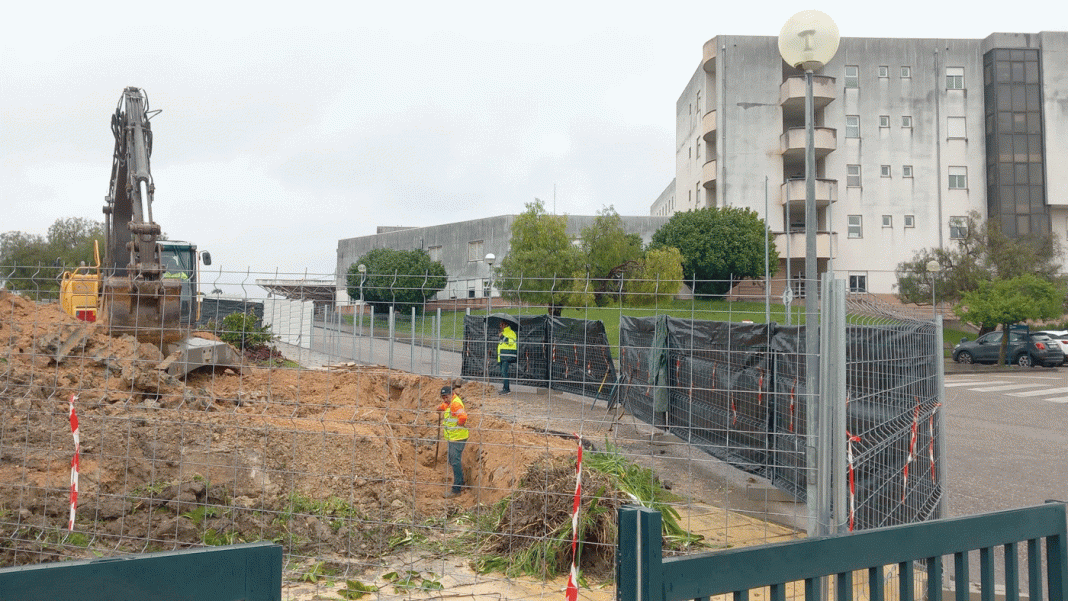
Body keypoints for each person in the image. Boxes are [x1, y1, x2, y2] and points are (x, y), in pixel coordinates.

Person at [437, 385, 469, 498]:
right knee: (453, 460)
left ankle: (456, 489)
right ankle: (460, 481)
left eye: (446, 396)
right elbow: (446, 406)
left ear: (452, 394)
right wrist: (440, 407)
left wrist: (460, 423)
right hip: (453, 437)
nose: (445, 399)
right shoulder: (451, 402)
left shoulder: (456, 403)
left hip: (458, 437)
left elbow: (463, 416)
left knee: (455, 461)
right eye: (443, 397)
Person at [497, 320, 518, 395]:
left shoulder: (511, 332)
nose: (500, 326)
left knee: (504, 372)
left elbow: (510, 342)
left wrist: (502, 337)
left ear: (505, 325)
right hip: (502, 356)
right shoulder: (504, 332)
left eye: (501, 324)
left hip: (507, 355)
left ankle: (507, 389)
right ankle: (505, 388)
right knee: (503, 372)